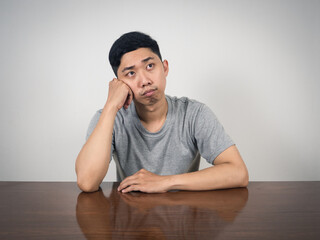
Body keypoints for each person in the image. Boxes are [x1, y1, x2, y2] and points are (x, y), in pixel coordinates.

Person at [75, 31, 249, 193]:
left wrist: (164, 182)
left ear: (165, 68)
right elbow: (87, 182)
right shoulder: (107, 118)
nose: (144, 80)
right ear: (119, 83)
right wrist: (111, 105)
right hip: (131, 217)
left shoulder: (194, 114)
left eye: (150, 66)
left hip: (183, 218)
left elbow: (238, 173)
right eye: (131, 73)